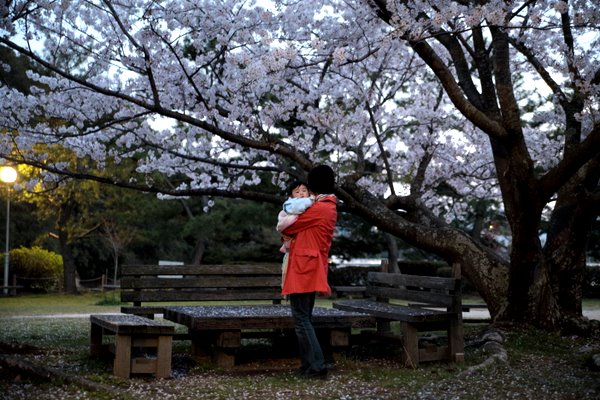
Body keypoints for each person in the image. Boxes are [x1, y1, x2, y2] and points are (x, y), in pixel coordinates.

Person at [281, 165, 337, 379]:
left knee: (301, 318)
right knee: (304, 318)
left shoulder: (321, 207)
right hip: (309, 265)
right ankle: (309, 364)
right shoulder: (325, 205)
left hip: (305, 267)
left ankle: (317, 366)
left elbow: (288, 227)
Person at [276, 181, 314, 288]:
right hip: (293, 247)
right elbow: (284, 221)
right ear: (291, 196)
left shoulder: (312, 206)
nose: (301, 194)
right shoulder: (290, 204)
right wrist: (311, 200)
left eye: (304, 190)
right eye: (297, 192)